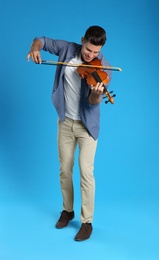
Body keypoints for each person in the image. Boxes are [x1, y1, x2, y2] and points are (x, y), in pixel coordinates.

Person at [27, 25, 112, 241]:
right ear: (82, 40)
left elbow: (93, 104)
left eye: (95, 52)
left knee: (86, 172)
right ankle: (67, 210)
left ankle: (87, 221)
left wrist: (96, 94)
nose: (91, 55)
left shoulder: (103, 68)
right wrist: (35, 48)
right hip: (65, 122)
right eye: (88, 50)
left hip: (87, 127)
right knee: (64, 169)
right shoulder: (67, 50)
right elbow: (42, 39)